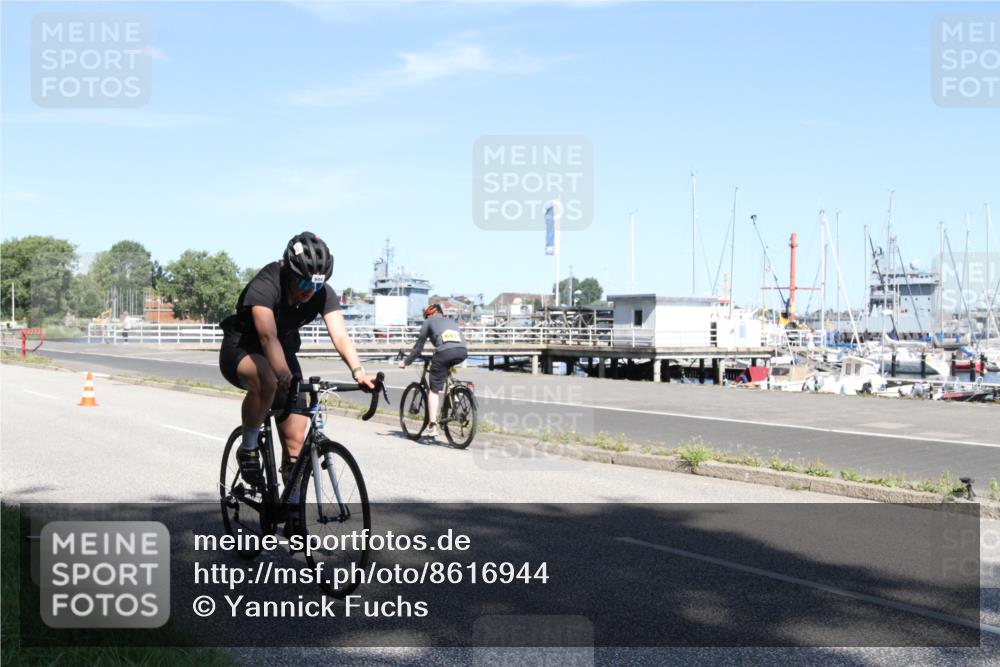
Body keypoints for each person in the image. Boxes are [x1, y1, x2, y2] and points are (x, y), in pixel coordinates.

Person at [218, 232, 374, 488]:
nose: (310, 292)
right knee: (267, 380)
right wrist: (282, 373)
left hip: (283, 351)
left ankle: (292, 511)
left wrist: (359, 372)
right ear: (289, 272)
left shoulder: (322, 293)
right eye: (304, 284)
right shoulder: (267, 283)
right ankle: (248, 448)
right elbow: (267, 337)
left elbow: (341, 335)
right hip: (243, 348)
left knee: (296, 444)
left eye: (316, 285)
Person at [398, 303, 468, 438]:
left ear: (429, 314)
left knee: (434, 390)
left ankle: (432, 426)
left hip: (444, 352)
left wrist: (406, 362)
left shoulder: (429, 321)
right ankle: (456, 394)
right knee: (445, 371)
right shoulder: (450, 321)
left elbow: (418, 347)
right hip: (462, 351)